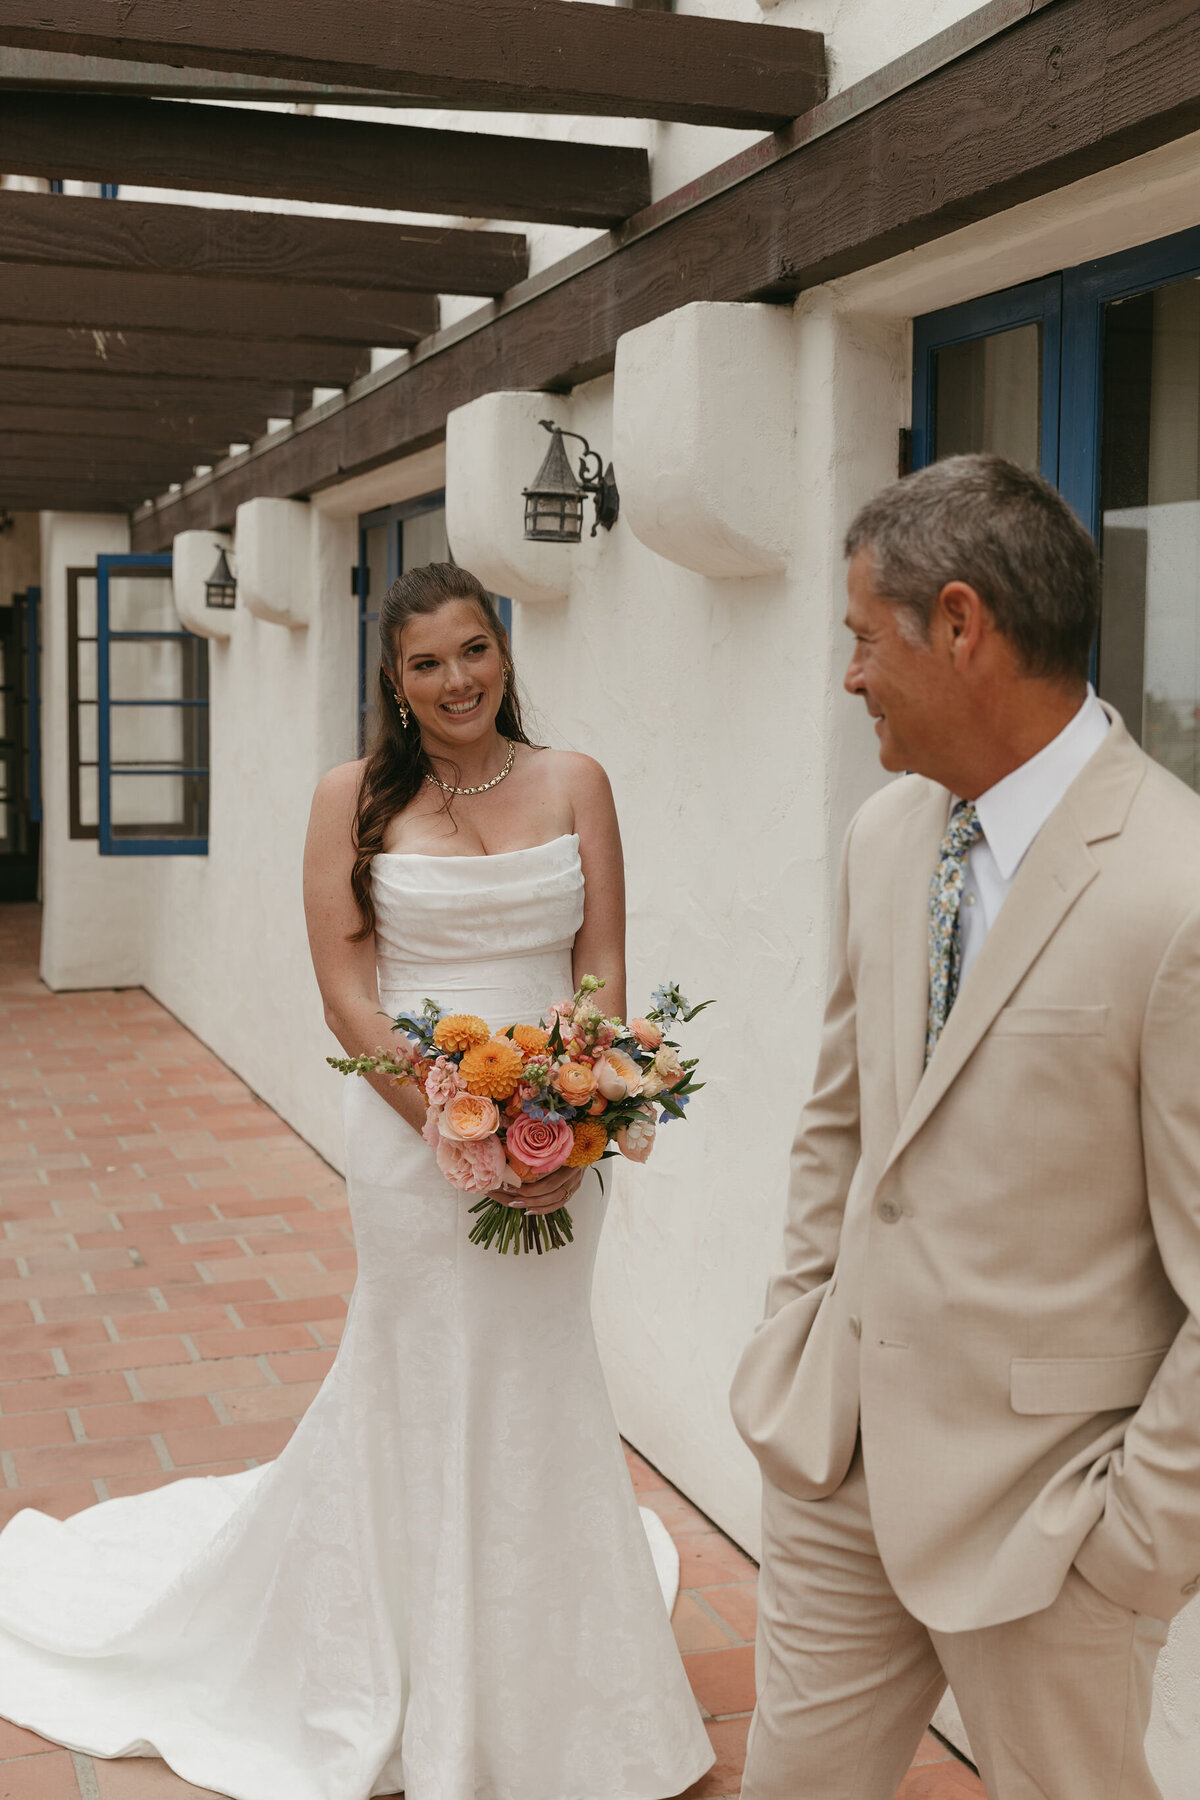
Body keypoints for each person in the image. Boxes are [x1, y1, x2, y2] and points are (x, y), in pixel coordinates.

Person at [0, 562, 713, 1800]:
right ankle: (405, 1663)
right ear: (392, 680)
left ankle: (551, 1680)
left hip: (562, 1134)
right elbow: (346, 993)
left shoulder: (576, 782)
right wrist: (460, 1129)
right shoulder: (349, 799)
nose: (457, 681)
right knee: (423, 1366)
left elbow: (599, 969)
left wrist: (575, 1114)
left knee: (541, 1370)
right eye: (427, 662)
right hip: (410, 1140)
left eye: (474, 650)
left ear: (504, 651)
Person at [730, 454, 1200, 1800]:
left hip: (1048, 1524)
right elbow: (843, 1125)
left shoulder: (1179, 891)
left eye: (861, 639)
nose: (849, 676)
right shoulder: (886, 836)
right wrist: (795, 1342)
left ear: (960, 623)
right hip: (837, 1465)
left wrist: (1134, 1540)